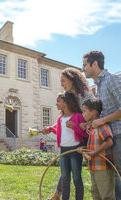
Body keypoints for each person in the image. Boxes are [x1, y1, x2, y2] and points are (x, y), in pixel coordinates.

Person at [47, 68, 94, 200]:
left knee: (78, 176)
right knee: (65, 174)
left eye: (63, 80)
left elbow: (94, 113)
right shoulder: (69, 97)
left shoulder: (85, 96)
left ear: (72, 79)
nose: (61, 84)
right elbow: (66, 121)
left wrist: (87, 124)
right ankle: (58, 195)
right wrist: (51, 128)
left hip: (85, 138)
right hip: (68, 144)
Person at [82, 50, 121, 200]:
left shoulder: (111, 80)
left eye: (85, 65)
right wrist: (92, 122)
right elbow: (103, 113)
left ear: (95, 64)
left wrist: (103, 121)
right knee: (114, 180)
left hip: (119, 134)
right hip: (110, 136)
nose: (83, 69)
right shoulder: (98, 86)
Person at [43, 92, 88, 200]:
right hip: (63, 151)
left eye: (59, 101)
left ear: (66, 102)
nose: (56, 104)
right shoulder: (60, 118)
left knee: (77, 178)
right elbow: (61, 132)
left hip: (75, 151)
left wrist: (74, 126)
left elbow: (85, 134)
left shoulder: (77, 116)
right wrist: (51, 129)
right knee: (64, 178)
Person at [81, 98, 115, 200]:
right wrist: (84, 149)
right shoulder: (91, 128)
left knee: (106, 196)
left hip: (103, 168)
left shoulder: (101, 126)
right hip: (94, 167)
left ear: (94, 112)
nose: (83, 114)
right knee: (96, 194)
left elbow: (109, 142)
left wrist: (94, 153)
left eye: (85, 111)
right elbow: (93, 146)